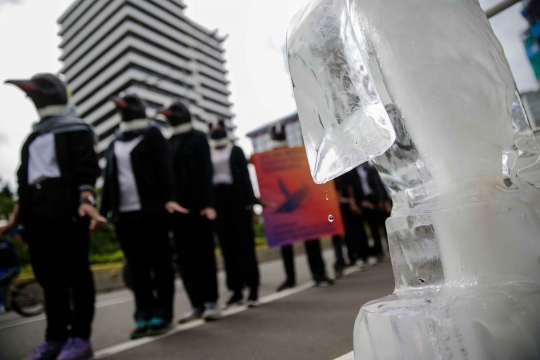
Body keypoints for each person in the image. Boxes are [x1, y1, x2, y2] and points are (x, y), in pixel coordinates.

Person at [1, 74, 103, 360]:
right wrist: (14, 221)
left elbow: (87, 168)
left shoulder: (77, 130)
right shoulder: (32, 137)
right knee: (48, 276)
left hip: (67, 204)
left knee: (75, 272)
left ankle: (80, 337)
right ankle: (55, 337)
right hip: (36, 208)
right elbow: (23, 182)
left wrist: (86, 199)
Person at [100, 94, 184, 339]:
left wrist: (169, 198)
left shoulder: (153, 135)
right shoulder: (115, 141)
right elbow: (109, 180)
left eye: (130, 103)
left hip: (153, 212)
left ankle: (163, 313)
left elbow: (165, 169)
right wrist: (102, 212)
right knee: (136, 269)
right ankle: (143, 314)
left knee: (160, 264)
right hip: (124, 215)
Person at [158, 101, 221, 322]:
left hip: (200, 208)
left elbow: (207, 171)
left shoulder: (198, 137)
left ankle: (211, 302)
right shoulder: (167, 142)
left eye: (173, 112)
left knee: (204, 255)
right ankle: (196, 304)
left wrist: (210, 204)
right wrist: (168, 201)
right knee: (184, 259)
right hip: (177, 209)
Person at [266, 124, 334, 291]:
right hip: (284, 207)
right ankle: (290, 278)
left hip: (301, 206)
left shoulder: (296, 155)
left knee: (311, 239)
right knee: (285, 243)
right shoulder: (268, 159)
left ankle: (319, 273)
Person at [209, 121, 261, 308]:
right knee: (227, 249)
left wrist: (252, 205)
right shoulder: (209, 152)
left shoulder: (236, 150)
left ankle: (253, 290)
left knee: (245, 246)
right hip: (219, 203)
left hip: (237, 201)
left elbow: (246, 179)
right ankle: (236, 291)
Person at [0, 238, 21, 313]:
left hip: (11, 268)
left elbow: (11, 255)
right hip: (2, 269)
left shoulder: (7, 244)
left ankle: (1, 305)